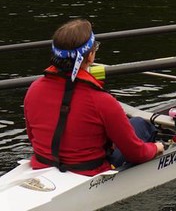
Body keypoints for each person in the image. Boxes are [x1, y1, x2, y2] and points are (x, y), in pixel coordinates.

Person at [24, 19, 164, 176]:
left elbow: (32, 137)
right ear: (90, 56)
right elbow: (136, 154)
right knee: (140, 124)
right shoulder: (102, 100)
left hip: (43, 164)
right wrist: (156, 148)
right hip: (89, 172)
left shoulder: (34, 89)